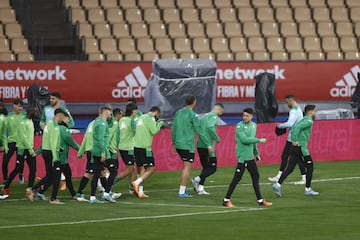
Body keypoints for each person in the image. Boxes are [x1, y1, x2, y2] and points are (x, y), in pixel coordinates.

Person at [223, 108, 272, 208]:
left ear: (251, 116)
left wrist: (256, 153)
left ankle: (260, 200)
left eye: (247, 116)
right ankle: (226, 200)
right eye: (243, 115)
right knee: (237, 179)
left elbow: (252, 141)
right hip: (243, 157)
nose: (244, 117)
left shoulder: (254, 125)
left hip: (250, 157)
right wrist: (259, 140)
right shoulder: (239, 126)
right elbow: (245, 140)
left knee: (256, 177)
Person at [272, 105, 319, 197]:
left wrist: (293, 140)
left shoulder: (304, 119)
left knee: (290, 168)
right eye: (315, 111)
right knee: (310, 167)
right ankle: (308, 189)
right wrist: (294, 140)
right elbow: (297, 128)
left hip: (295, 147)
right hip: (301, 147)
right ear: (311, 112)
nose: (315, 113)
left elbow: (295, 127)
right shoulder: (308, 121)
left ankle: (277, 184)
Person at [172, 94, 212, 198]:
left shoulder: (178, 113)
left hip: (178, 144)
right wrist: (208, 144)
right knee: (187, 167)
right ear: (194, 102)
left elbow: (174, 129)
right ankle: (181, 191)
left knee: (185, 166)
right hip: (187, 145)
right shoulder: (193, 115)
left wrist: (173, 143)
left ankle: (183, 190)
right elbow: (199, 131)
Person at [2, 107, 38, 201]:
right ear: (30, 113)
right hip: (22, 149)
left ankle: (29, 189)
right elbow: (23, 138)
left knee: (33, 169)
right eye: (34, 112)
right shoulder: (23, 122)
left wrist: (31, 148)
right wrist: (30, 150)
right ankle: (6, 186)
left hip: (29, 148)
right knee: (18, 169)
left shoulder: (30, 121)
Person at [268, 94, 306, 184]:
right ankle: (304, 177)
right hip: (295, 136)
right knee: (296, 158)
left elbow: (290, 123)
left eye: (286, 102)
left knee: (287, 156)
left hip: (293, 137)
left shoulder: (294, 110)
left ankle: (280, 176)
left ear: (290, 100)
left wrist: (280, 125)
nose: (286, 104)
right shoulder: (298, 109)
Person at [32, 108, 68, 202]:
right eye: (62, 117)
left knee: (50, 176)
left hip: (45, 151)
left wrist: (39, 152)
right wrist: (56, 157)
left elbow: (47, 141)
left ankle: (35, 190)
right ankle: (53, 198)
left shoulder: (48, 124)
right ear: (59, 116)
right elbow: (53, 142)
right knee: (56, 176)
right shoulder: (55, 126)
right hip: (51, 153)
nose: (63, 120)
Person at [40, 91, 74, 191]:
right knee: (52, 170)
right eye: (50, 99)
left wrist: (61, 128)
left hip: (59, 141)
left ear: (58, 100)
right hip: (49, 141)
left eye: (53, 99)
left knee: (58, 166)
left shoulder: (63, 110)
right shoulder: (46, 109)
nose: (51, 100)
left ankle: (41, 190)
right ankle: (41, 190)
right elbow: (42, 121)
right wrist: (44, 127)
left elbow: (71, 123)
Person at [191, 103, 224, 195]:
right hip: (208, 145)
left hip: (200, 145)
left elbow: (199, 129)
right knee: (213, 168)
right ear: (218, 110)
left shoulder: (204, 116)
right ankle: (196, 179)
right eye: (221, 112)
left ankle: (200, 188)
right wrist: (217, 139)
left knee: (206, 168)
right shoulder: (213, 117)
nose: (221, 114)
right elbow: (210, 127)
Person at [131, 106, 164, 198]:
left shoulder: (141, 117)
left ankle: (140, 191)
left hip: (136, 147)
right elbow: (154, 131)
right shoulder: (150, 118)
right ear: (156, 112)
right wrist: (160, 124)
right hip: (146, 148)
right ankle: (136, 183)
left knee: (142, 169)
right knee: (151, 169)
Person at [89, 106, 116, 203]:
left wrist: (110, 115)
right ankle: (106, 193)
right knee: (113, 171)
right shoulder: (102, 124)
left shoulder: (98, 121)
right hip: (102, 151)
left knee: (96, 174)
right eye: (110, 113)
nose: (111, 115)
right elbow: (101, 139)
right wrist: (103, 153)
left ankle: (92, 197)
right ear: (105, 113)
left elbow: (111, 124)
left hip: (96, 150)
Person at [52, 115, 80, 202]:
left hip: (62, 159)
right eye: (67, 119)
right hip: (60, 158)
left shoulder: (58, 128)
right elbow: (71, 142)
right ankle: (52, 198)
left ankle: (73, 194)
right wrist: (81, 149)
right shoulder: (64, 129)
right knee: (55, 179)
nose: (69, 121)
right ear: (63, 119)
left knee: (67, 176)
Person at [113, 103, 138, 193]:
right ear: (133, 111)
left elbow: (118, 135)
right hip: (129, 148)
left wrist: (117, 147)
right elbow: (136, 132)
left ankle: (132, 187)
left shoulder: (121, 120)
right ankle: (112, 181)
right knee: (130, 168)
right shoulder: (131, 120)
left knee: (130, 167)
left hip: (121, 147)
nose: (136, 112)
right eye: (136, 110)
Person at [2, 99, 26, 185]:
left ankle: (20, 174)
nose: (20, 108)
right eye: (18, 106)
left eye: (21, 106)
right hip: (10, 142)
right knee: (5, 161)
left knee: (20, 162)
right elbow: (3, 130)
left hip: (21, 143)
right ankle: (5, 179)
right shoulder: (9, 116)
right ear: (14, 106)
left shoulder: (25, 116)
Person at [106, 108, 122, 194]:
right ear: (118, 115)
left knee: (113, 172)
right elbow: (109, 136)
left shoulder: (115, 124)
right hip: (111, 151)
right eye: (121, 114)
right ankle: (107, 192)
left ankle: (107, 191)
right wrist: (109, 149)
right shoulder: (114, 124)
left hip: (113, 150)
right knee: (112, 172)